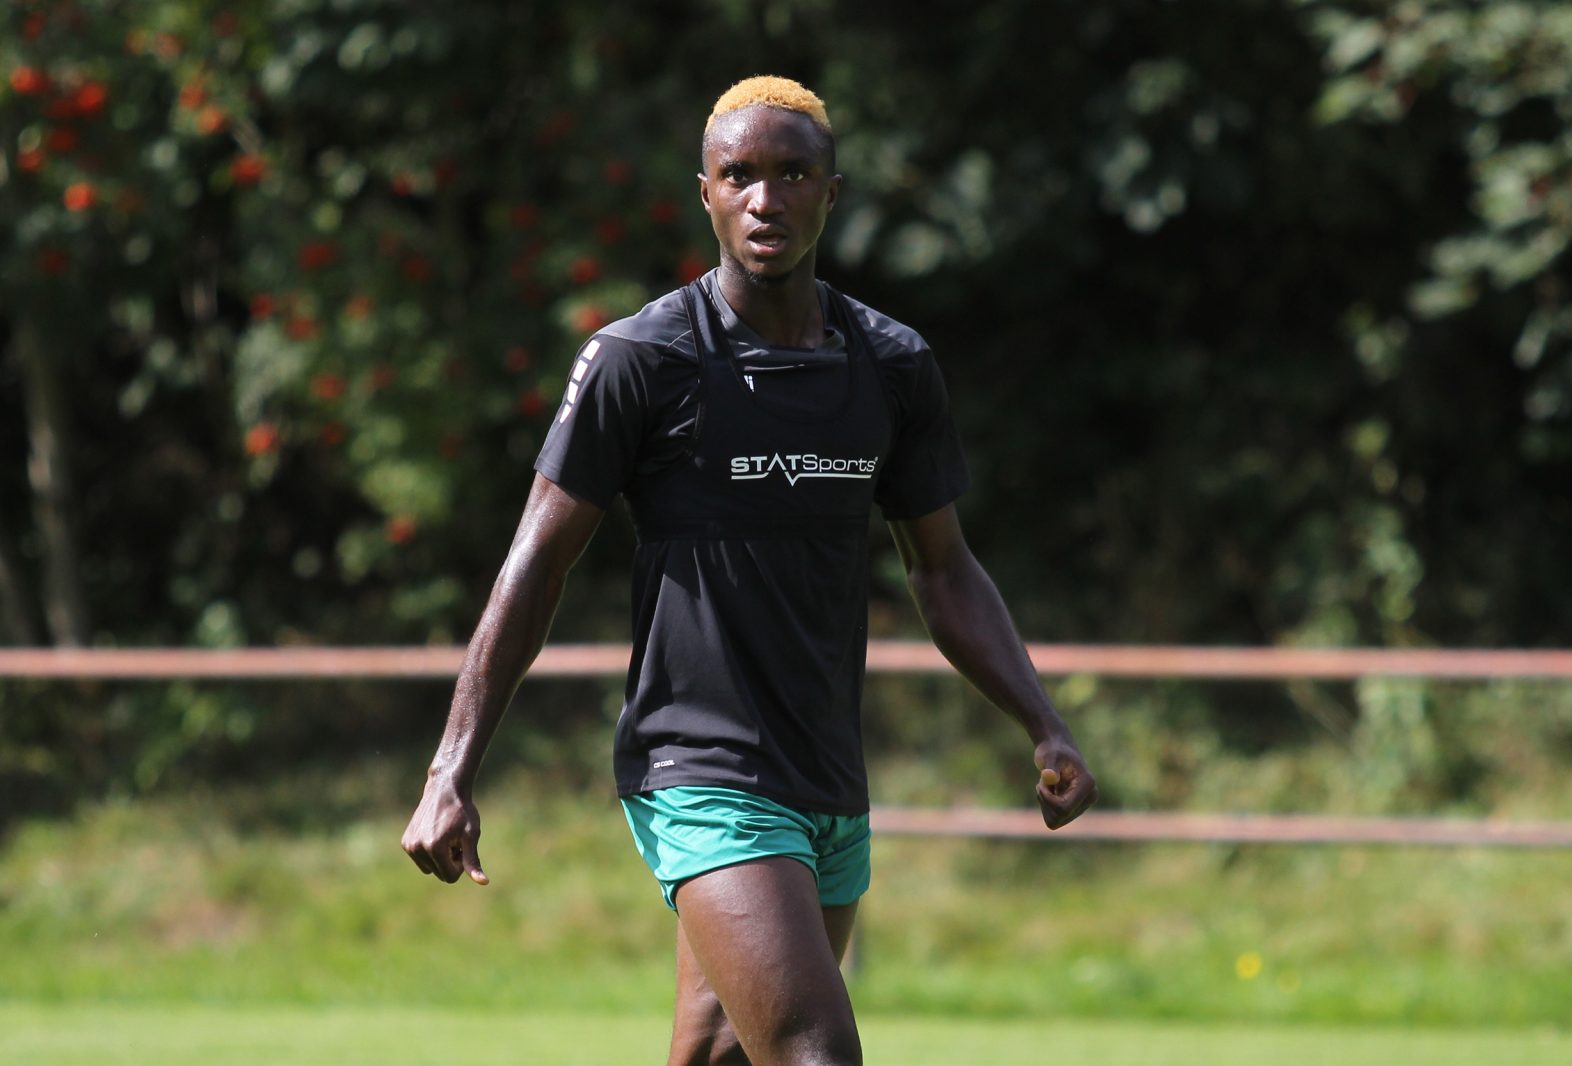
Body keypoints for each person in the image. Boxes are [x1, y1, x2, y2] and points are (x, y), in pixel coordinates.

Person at [401, 75, 1097, 1065]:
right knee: (815, 1051)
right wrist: (451, 770)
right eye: (740, 175)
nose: (765, 198)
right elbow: (536, 566)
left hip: (829, 774)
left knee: (723, 1053)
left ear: (831, 193)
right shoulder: (640, 360)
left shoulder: (892, 365)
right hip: (701, 767)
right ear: (707, 194)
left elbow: (942, 572)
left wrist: (1043, 721)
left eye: (793, 174)